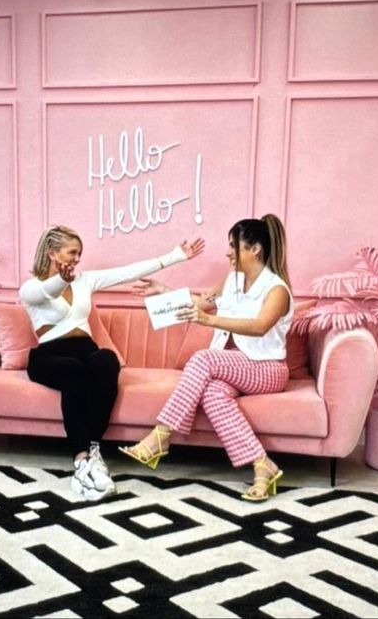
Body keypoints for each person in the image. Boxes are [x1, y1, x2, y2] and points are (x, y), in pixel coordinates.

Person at [19, 225, 204, 501]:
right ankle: (81, 461)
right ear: (52, 252)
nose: (77, 258)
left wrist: (174, 256)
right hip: (50, 355)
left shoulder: (84, 280)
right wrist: (61, 279)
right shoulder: (31, 287)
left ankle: (93, 449)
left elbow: (128, 271)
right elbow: (45, 292)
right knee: (74, 372)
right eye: (72, 252)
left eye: (79, 253)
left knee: (106, 360)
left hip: (85, 349)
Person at [119, 214, 293, 502]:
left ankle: (160, 437)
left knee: (203, 358)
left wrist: (208, 322)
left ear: (255, 249)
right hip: (235, 367)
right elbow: (201, 303)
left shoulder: (277, 289)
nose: (227, 252)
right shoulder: (233, 280)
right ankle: (263, 466)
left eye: (233, 246)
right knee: (212, 394)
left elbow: (261, 326)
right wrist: (162, 290)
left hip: (267, 369)